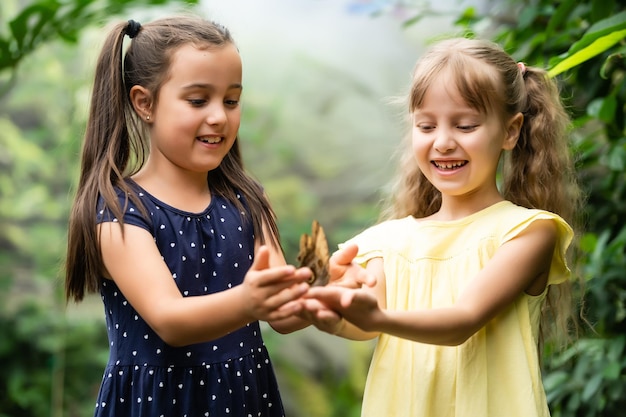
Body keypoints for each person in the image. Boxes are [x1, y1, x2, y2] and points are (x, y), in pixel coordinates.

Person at [302, 37, 582, 417]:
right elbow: (366, 326)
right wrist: (331, 311)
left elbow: (463, 320)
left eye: (465, 125)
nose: (443, 142)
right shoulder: (387, 241)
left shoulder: (527, 232)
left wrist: (378, 317)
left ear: (510, 132)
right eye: (427, 125)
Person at [64, 15, 312, 417]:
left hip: (245, 399)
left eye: (231, 100)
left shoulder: (249, 200)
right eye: (198, 100)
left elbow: (283, 313)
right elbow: (170, 320)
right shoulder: (120, 209)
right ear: (145, 103)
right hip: (157, 403)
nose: (219, 116)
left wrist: (329, 292)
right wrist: (251, 300)